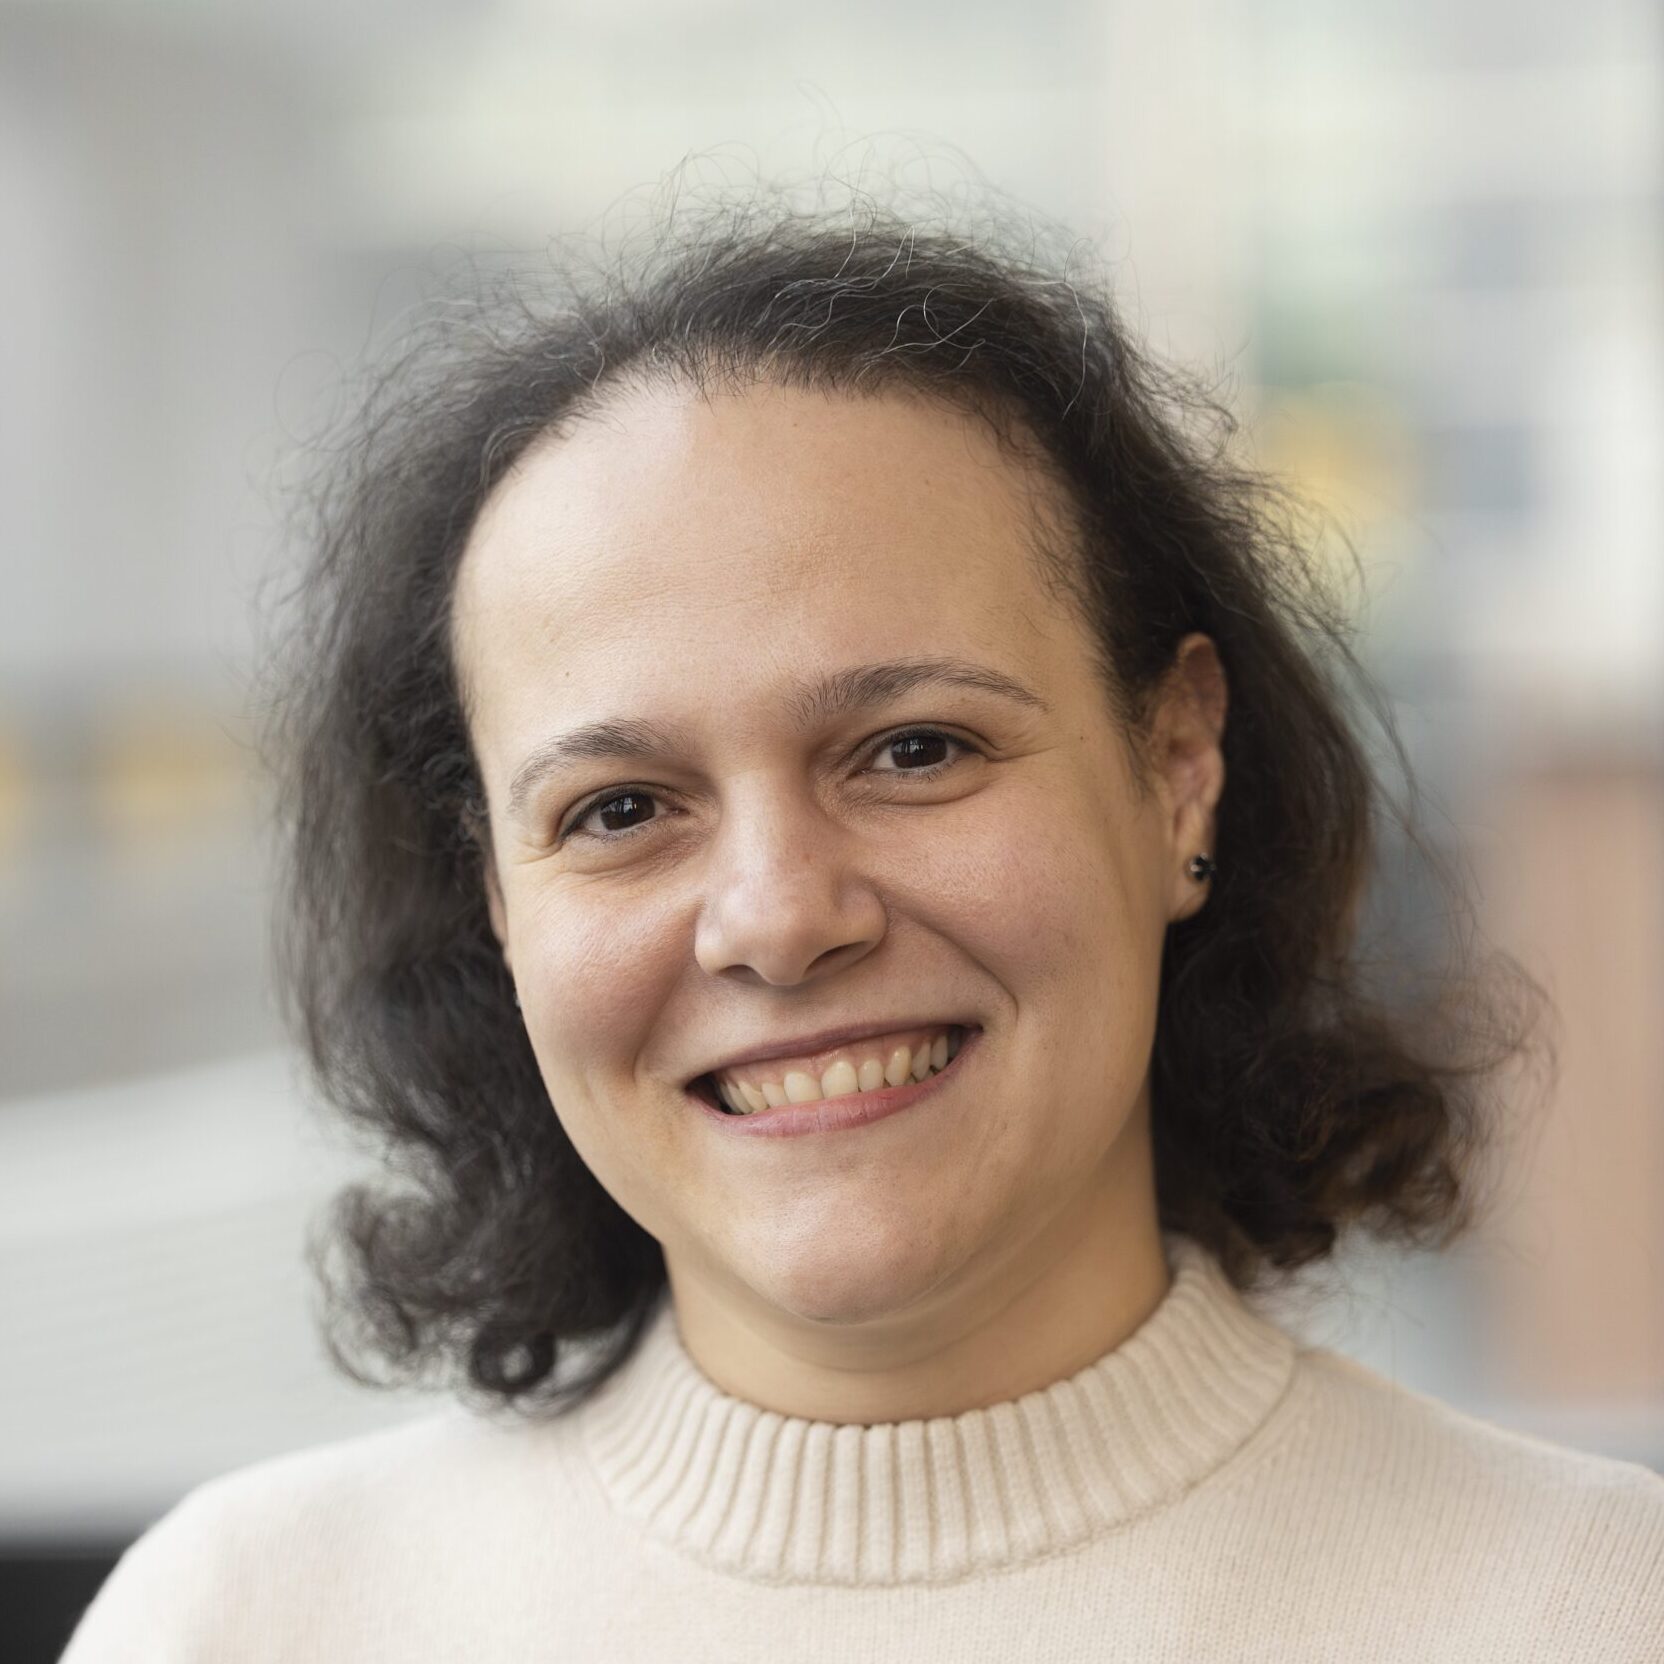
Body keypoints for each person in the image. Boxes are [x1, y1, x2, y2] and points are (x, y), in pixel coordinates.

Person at [61, 192, 1664, 1661]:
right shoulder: (245, 1621)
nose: (775, 919)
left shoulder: (1589, 1611)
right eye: (618, 809)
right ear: (495, 899)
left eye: (914, 750)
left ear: (1177, 768)